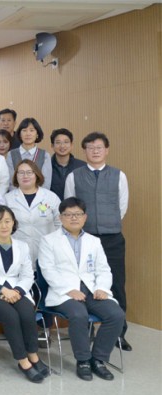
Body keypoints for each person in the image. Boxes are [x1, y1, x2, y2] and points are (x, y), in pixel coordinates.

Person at [39, 197, 126, 380]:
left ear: (85, 217)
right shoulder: (48, 241)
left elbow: (104, 269)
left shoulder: (94, 241)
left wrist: (102, 288)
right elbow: (48, 270)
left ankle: (98, 359)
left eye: (78, 214)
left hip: (92, 291)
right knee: (79, 314)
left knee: (116, 314)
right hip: (64, 293)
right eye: (68, 214)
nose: (73, 218)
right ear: (60, 218)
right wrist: (69, 290)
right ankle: (83, 360)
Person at [64, 132, 131, 351]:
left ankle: (119, 334)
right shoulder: (74, 176)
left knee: (117, 283)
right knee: (83, 282)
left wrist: (108, 223)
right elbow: (70, 205)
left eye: (99, 147)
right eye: (90, 147)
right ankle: (86, 331)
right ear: (84, 150)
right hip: (83, 237)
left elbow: (121, 206)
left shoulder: (119, 175)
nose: (95, 151)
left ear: (106, 150)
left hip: (112, 238)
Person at [0, 205, 49, 383]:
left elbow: (28, 275)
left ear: (13, 223)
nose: (4, 226)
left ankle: (33, 355)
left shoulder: (22, 246)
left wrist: (17, 291)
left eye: (7, 221)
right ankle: (23, 361)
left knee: (27, 312)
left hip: (17, 290)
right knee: (11, 316)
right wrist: (2, 290)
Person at [5, 160, 61, 265]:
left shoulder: (50, 197)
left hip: (47, 252)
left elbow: (60, 224)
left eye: (29, 172)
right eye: (21, 173)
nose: (25, 176)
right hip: (17, 253)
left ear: (36, 175)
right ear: (16, 176)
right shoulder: (8, 199)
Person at [6, 118, 52, 191]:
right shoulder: (11, 154)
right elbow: (10, 181)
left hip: (39, 196)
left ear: (37, 134)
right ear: (20, 134)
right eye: (24, 130)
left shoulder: (45, 155)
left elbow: (46, 183)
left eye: (32, 130)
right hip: (16, 195)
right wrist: (18, 195)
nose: (28, 134)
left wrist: (36, 196)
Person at [50, 128, 86, 199]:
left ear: (71, 145)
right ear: (52, 146)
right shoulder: (46, 166)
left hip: (76, 205)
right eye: (58, 142)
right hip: (52, 205)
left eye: (66, 142)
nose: (62, 146)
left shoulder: (82, 166)